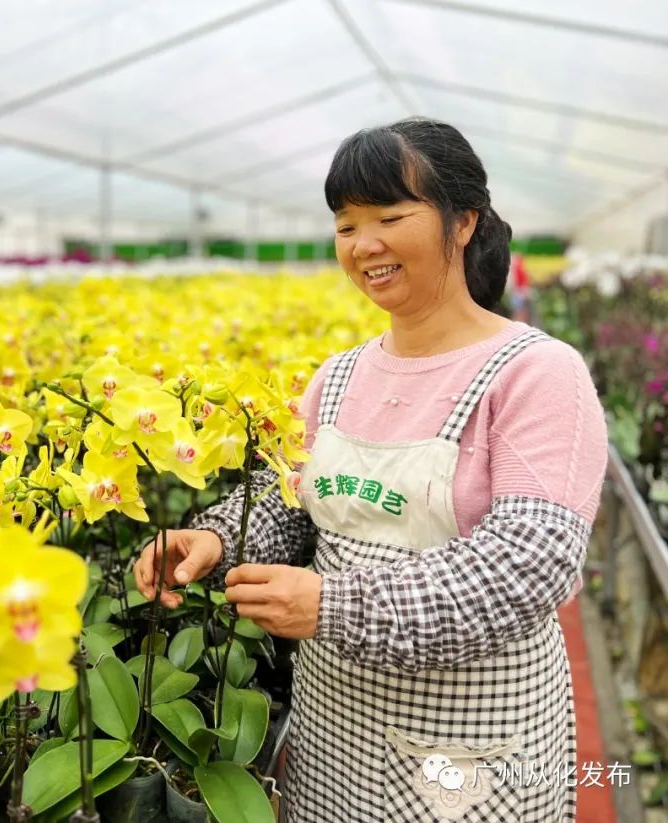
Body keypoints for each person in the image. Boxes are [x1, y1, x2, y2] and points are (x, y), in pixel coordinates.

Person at [134, 118, 607, 822]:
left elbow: (527, 565)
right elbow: (294, 496)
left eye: (390, 216)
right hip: (335, 731)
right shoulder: (339, 375)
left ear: (463, 221)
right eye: (346, 224)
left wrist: (332, 605)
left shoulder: (537, 374)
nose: (365, 244)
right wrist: (216, 540)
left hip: (469, 737)